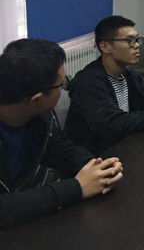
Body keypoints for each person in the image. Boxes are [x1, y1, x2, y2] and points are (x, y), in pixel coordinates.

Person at [0, 38, 123, 230]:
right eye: (61, 84)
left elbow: (58, 147)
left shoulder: (39, 115)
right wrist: (77, 187)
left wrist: (95, 167)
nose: (65, 86)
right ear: (36, 99)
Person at [65, 16, 144, 154]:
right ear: (105, 46)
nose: (137, 45)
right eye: (129, 40)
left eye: (137, 39)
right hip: (98, 157)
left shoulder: (126, 74)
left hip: (127, 146)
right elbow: (115, 124)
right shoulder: (90, 82)